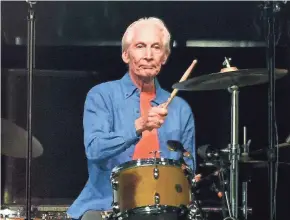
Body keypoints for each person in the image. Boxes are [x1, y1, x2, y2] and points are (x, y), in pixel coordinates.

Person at [67, 17, 196, 220]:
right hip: (106, 203)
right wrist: (139, 125)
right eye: (140, 46)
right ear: (126, 55)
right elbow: (94, 149)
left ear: (164, 57)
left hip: (164, 210)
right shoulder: (102, 95)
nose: (148, 55)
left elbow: (188, 167)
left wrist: (190, 177)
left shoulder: (181, 109)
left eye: (156, 47)